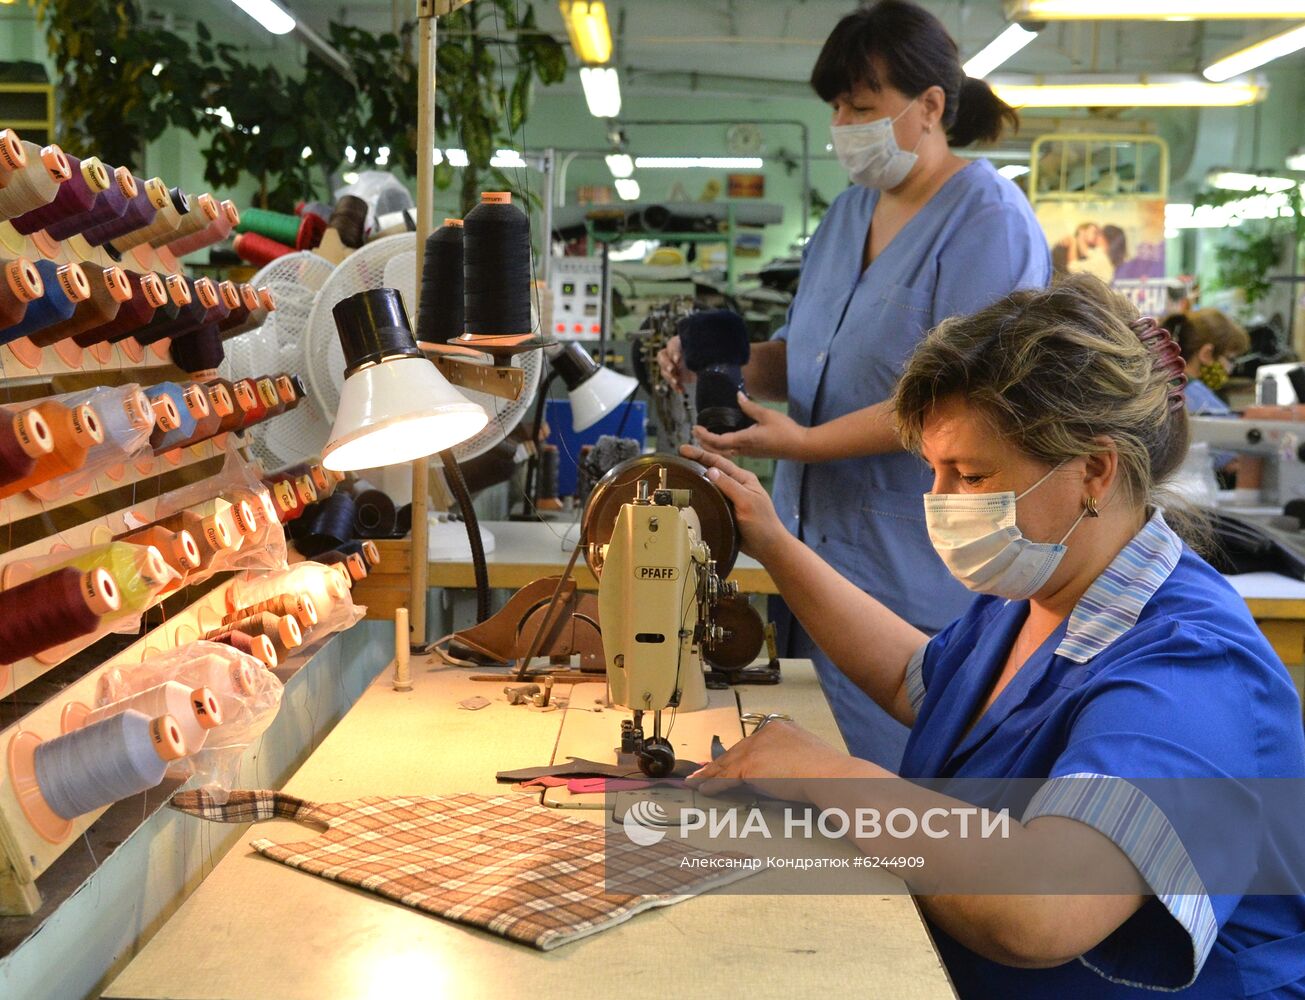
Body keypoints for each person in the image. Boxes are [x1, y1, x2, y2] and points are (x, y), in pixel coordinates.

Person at [683, 274, 1305, 997]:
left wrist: (830, 777)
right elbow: (917, 681)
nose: (941, 503)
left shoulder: (1193, 670)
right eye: (934, 472)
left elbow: (1041, 909)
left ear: (1094, 471)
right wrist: (772, 540)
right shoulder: (1041, 588)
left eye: (971, 475)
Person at [658, 0, 1051, 768]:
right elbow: (816, 360)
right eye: (836, 105)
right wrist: (726, 367)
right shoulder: (845, 216)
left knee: (896, 802)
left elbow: (963, 400)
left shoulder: (987, 219)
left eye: (861, 105)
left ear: (929, 106)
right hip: (814, 560)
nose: (842, 122)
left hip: (914, 573)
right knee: (819, 784)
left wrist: (802, 444)